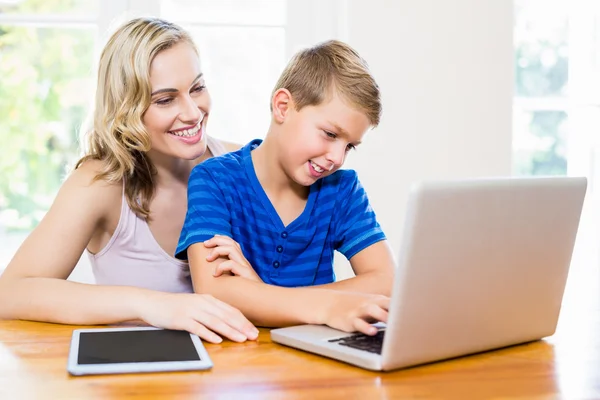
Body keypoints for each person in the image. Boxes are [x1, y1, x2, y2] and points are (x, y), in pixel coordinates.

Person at [0, 17, 258, 344]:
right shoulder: (101, 183)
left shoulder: (241, 165)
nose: (193, 112)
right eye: (165, 99)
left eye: (197, 88)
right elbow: (10, 293)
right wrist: (152, 304)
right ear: (126, 108)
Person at [175, 40, 395, 336]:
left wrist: (258, 292)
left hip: (316, 360)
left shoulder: (342, 189)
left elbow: (387, 280)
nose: (337, 158)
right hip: (239, 364)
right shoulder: (214, 180)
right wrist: (329, 307)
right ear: (283, 107)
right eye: (330, 134)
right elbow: (215, 291)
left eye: (350, 146)